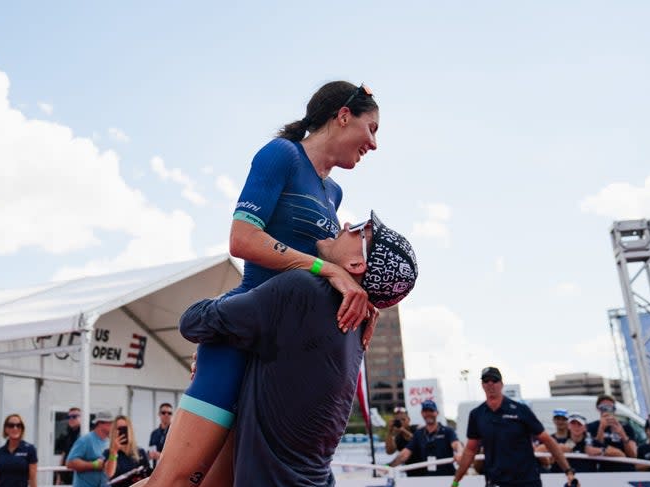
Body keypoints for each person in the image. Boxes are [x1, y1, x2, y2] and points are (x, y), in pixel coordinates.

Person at [147, 81, 381, 485]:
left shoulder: (334, 192)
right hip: (237, 339)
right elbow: (243, 239)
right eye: (372, 128)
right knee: (172, 482)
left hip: (278, 354)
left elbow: (338, 262)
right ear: (343, 116)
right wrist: (327, 271)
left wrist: (364, 299)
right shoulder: (282, 155)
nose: (374, 144)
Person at [170, 210, 417, 485]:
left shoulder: (304, 290)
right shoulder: (356, 328)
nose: (346, 224)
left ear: (357, 263)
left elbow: (192, 322)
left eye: (359, 228)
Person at [452, 367, 571, 487]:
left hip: (526, 481)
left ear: (501, 384)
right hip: (496, 481)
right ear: (482, 385)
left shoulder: (520, 410)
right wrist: (456, 480)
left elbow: (547, 440)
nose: (490, 384)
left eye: (494, 380)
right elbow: (470, 450)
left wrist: (568, 471)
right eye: (486, 381)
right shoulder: (477, 414)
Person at [387, 400, 462, 477]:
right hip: (427, 478)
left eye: (431, 411)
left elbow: (456, 444)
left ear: (437, 413)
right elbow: (404, 454)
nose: (428, 414)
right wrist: (387, 467)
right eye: (425, 411)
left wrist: (460, 452)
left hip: (447, 476)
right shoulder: (419, 434)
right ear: (422, 413)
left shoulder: (447, 431)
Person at [586, 393, 637, 472]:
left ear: (614, 409)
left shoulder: (626, 427)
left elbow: (633, 455)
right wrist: (601, 429)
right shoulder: (591, 426)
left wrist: (622, 434)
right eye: (604, 408)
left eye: (610, 407)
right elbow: (592, 449)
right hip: (604, 471)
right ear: (598, 409)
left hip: (626, 470)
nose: (607, 410)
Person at [66, 411, 113, 487]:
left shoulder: (110, 442)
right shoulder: (85, 440)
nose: (113, 427)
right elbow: (70, 463)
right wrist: (94, 465)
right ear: (100, 424)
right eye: (111, 423)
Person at [0, 415, 37, 487]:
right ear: (6, 429)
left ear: (22, 428)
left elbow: (32, 479)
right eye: (11, 425)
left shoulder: (30, 449)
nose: (15, 428)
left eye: (18, 425)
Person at [103, 416, 151, 487]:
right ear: (114, 431)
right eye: (119, 428)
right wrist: (114, 451)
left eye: (125, 428)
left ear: (130, 430)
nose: (122, 432)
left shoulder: (140, 452)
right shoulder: (108, 452)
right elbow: (109, 474)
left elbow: (149, 477)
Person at [54, 407, 81, 485]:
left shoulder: (85, 435)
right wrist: (58, 479)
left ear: (82, 418)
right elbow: (64, 456)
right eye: (69, 417)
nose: (71, 419)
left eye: (74, 416)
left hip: (79, 477)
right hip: (66, 477)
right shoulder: (67, 436)